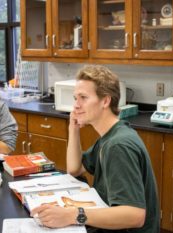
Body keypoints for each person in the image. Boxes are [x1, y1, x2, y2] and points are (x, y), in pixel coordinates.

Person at [31, 65, 160, 233]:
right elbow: (74, 169)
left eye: (83, 97)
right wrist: (74, 129)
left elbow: (135, 215)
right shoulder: (110, 136)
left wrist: (72, 215)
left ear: (105, 101)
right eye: (75, 98)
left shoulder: (118, 146)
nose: (75, 105)